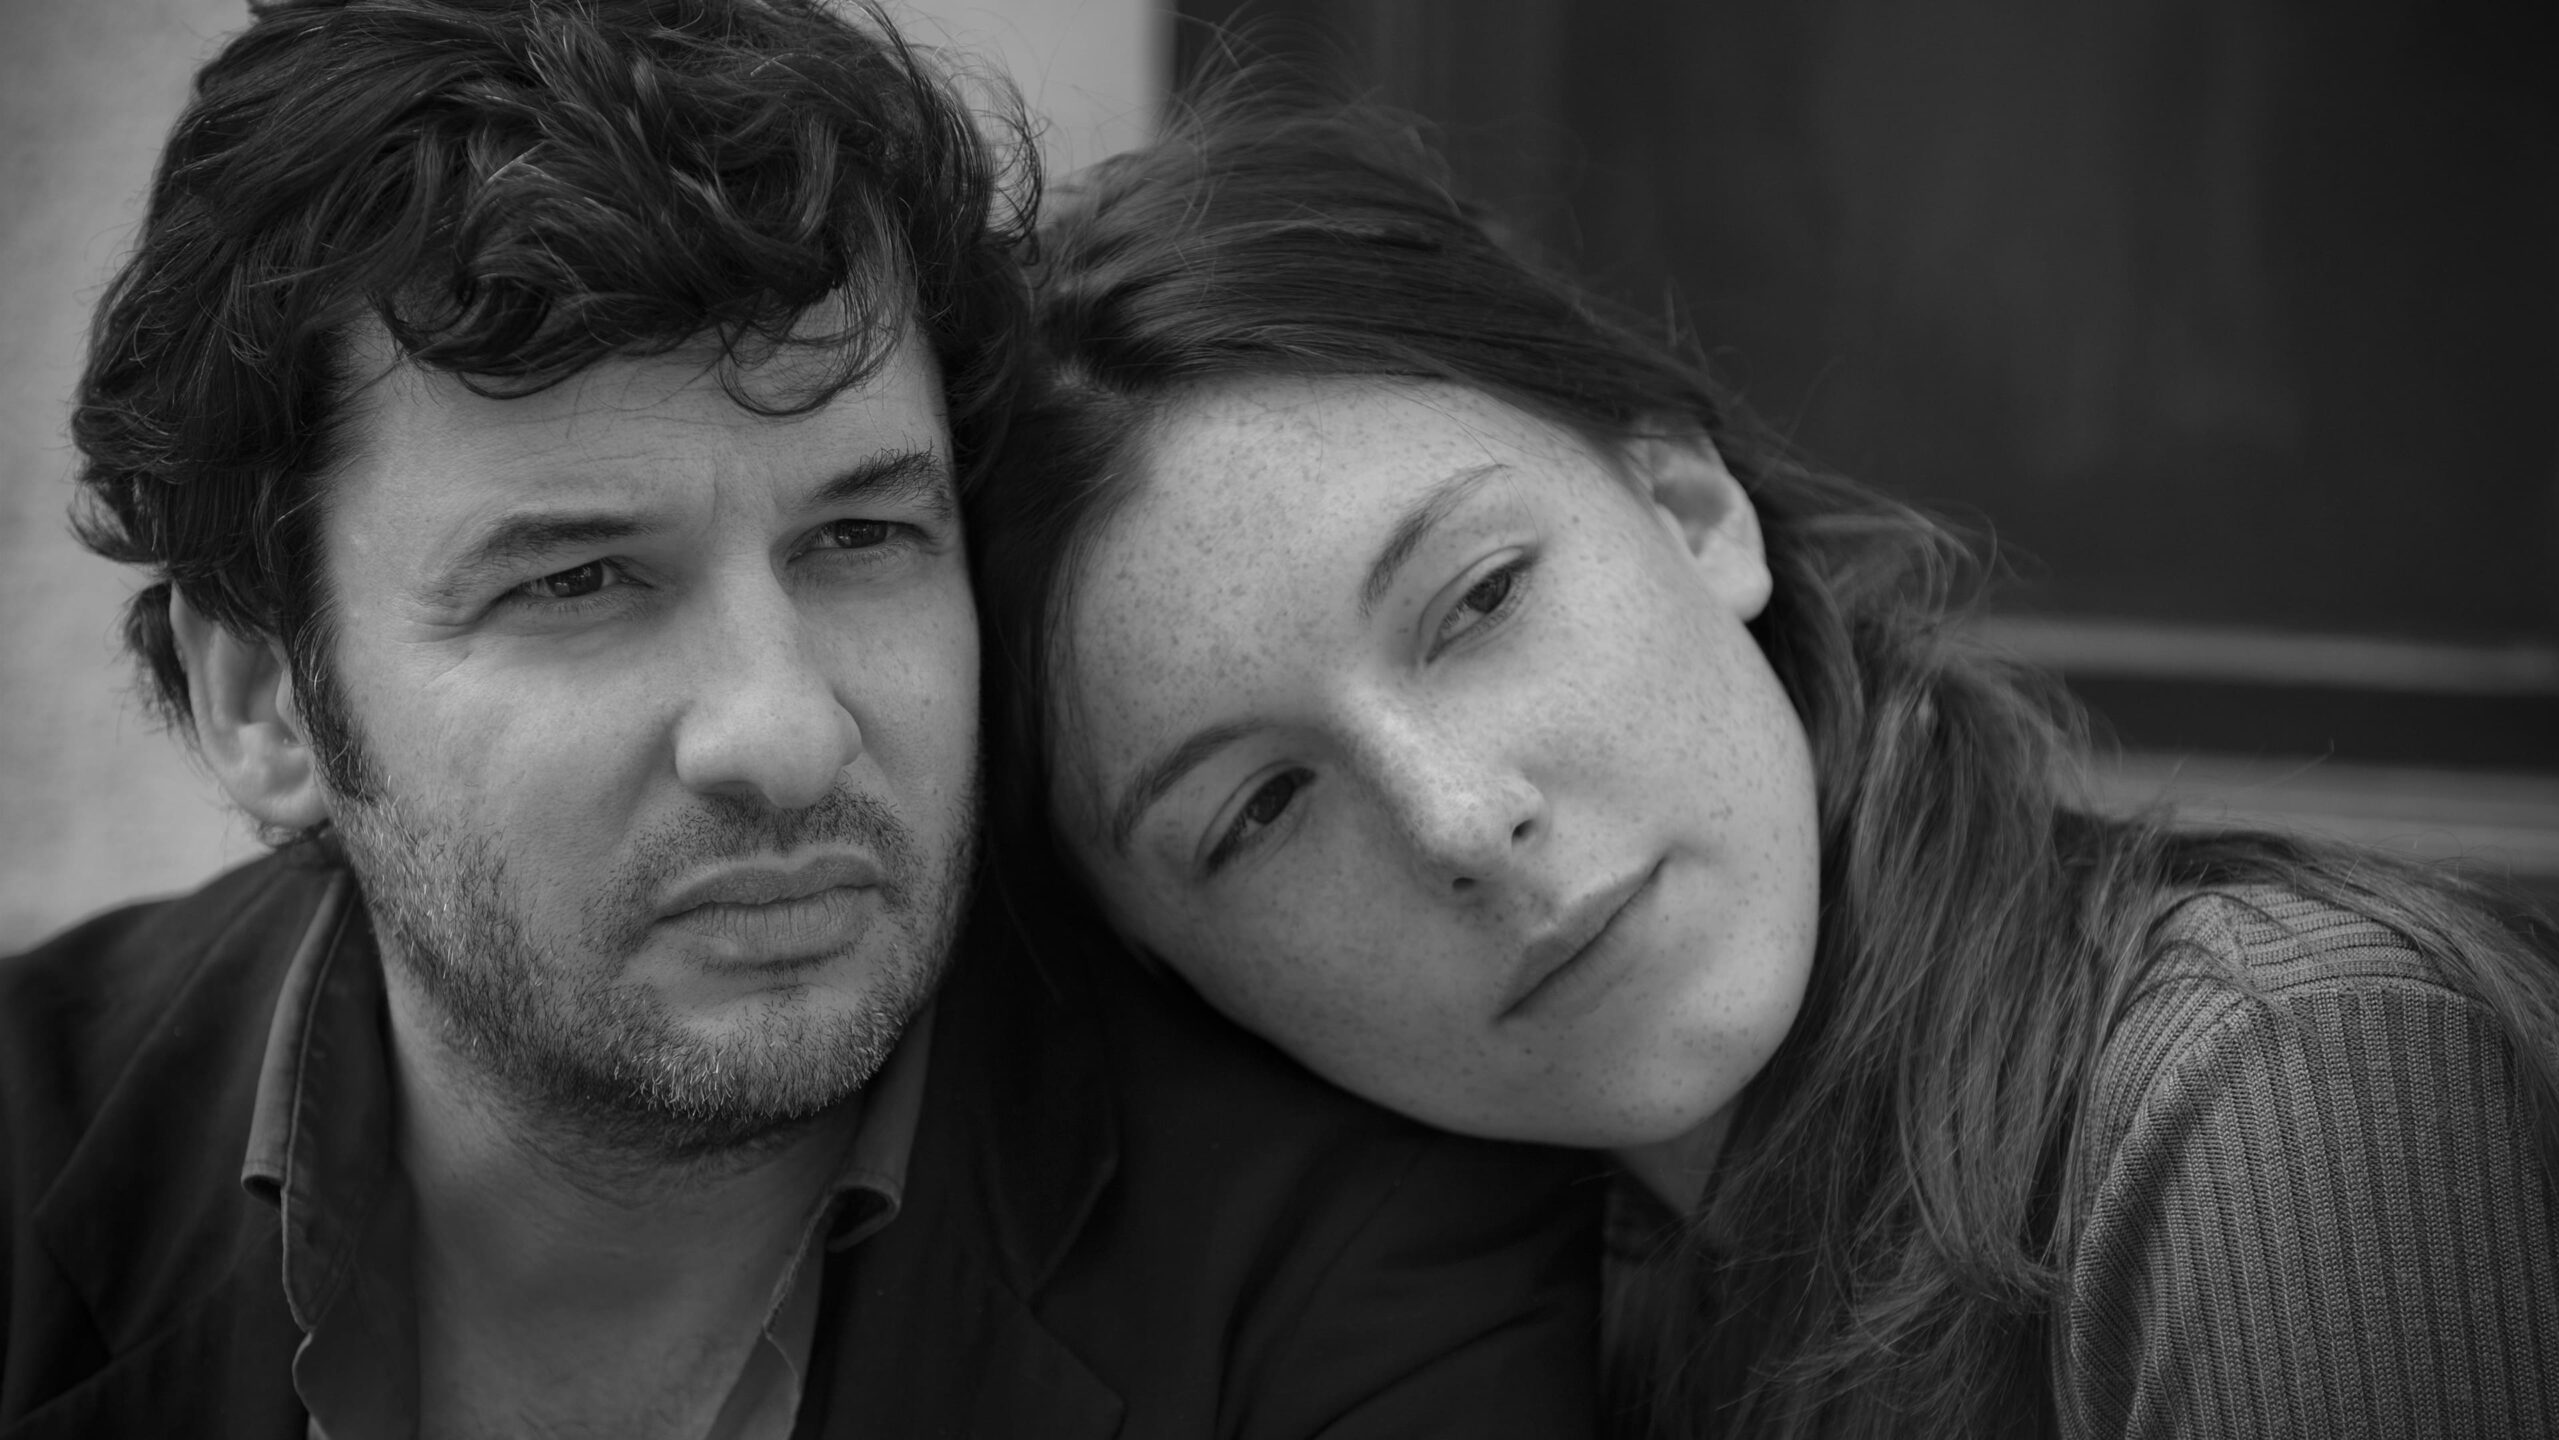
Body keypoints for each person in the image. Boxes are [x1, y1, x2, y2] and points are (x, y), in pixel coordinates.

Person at [0, 7, 1603, 1435]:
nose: (783, 735)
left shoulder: (1341, 1256)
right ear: (266, 702)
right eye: (577, 582)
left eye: (859, 537)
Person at [975, 89, 2559, 1438]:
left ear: (1691, 507)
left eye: (1481, 600)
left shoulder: (2281, 1088)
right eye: (1260, 809)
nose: (1459, 820)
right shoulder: (1471, 1335)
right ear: (1165, 970)